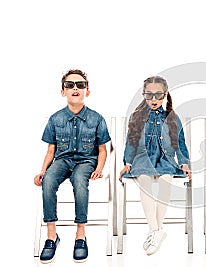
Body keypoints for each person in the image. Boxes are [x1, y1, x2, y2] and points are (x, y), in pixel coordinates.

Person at [33, 69, 111, 263]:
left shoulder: (97, 119)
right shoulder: (55, 119)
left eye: (80, 85)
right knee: (49, 181)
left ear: (87, 91)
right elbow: (51, 151)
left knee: (79, 180)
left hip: (86, 161)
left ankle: (80, 235)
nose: (75, 88)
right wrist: (43, 171)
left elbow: (103, 150)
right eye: (70, 85)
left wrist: (99, 168)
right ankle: (52, 236)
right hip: (62, 160)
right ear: (63, 92)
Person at [120, 76, 192, 256]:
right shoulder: (137, 117)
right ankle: (156, 230)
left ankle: (156, 232)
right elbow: (131, 141)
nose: (153, 100)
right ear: (144, 95)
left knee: (166, 182)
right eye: (149, 95)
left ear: (165, 95)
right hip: (142, 159)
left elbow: (180, 142)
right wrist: (127, 163)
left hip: (165, 160)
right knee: (144, 182)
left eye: (158, 95)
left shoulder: (173, 117)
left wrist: (184, 163)